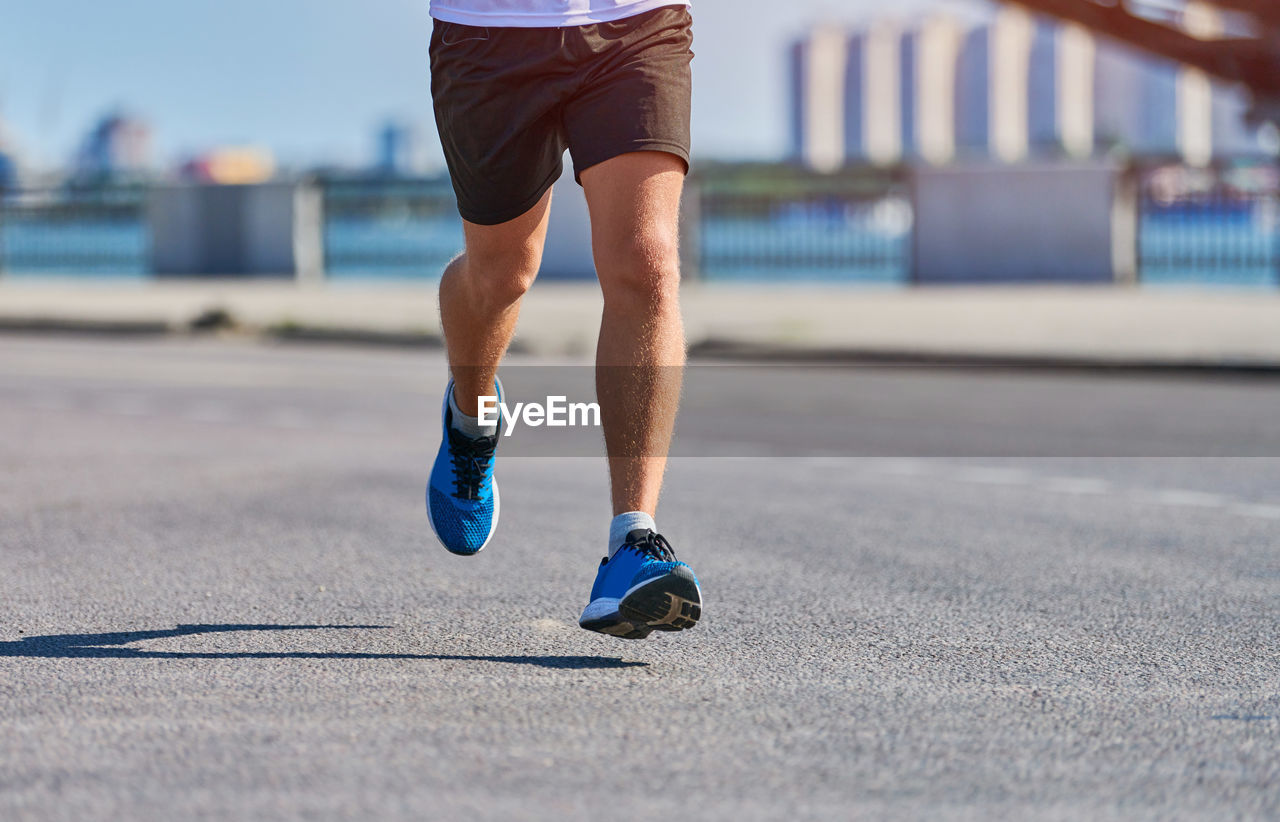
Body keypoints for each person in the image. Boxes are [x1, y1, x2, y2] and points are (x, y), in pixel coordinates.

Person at [424, 0, 702, 639]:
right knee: (501, 273)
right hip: (487, 36)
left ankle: (634, 540)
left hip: (636, 24)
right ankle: (471, 417)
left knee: (647, 264)